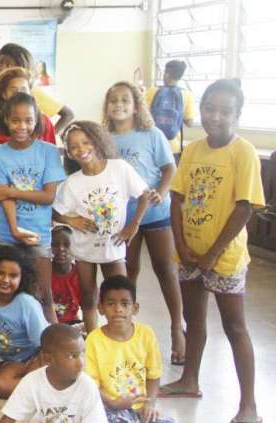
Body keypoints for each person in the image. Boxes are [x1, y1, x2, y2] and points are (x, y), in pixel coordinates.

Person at [160, 79, 264, 423]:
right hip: (190, 253)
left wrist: (212, 254)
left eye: (224, 111)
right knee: (194, 320)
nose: (214, 117)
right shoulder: (193, 150)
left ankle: (248, 404)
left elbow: (245, 207)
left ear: (237, 115)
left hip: (225, 257)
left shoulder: (243, 151)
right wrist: (183, 246)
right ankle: (189, 379)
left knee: (235, 327)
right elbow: (176, 198)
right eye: (209, 108)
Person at [104, 81, 185, 364]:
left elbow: (169, 168)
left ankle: (177, 327)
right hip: (124, 218)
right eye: (113, 100)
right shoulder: (106, 139)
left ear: (137, 106)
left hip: (155, 214)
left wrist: (161, 194)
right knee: (129, 271)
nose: (119, 105)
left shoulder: (151, 134)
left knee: (165, 269)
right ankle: (126, 327)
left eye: (125, 100)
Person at [53, 121, 151, 332]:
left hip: (113, 247)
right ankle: (92, 340)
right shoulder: (72, 183)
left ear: (97, 142)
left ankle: (121, 336)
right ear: (69, 153)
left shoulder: (119, 168)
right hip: (84, 250)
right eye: (74, 147)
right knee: (88, 296)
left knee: (120, 294)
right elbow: (55, 211)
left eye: (85, 142)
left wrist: (134, 225)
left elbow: (144, 195)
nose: (81, 149)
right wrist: (70, 220)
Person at [0, 92, 66, 323]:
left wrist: (13, 190)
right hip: (4, 233)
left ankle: (53, 350)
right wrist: (14, 230)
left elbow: (49, 196)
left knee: (43, 296)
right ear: (6, 121)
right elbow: (3, 199)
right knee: (4, 295)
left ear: (37, 121)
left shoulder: (49, 152)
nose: (22, 126)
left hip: (38, 235)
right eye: (16, 120)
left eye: (28, 120)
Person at [85, 276, 182, 423]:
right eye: (110, 303)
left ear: (135, 308)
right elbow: (91, 385)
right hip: (109, 407)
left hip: (138, 408)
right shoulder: (93, 340)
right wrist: (113, 403)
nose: (118, 310)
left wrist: (149, 404)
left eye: (124, 304)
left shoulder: (146, 334)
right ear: (100, 308)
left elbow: (153, 376)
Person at [0, 245, 48, 399]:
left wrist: (34, 368)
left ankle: (44, 390)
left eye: (13, 275)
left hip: (38, 355)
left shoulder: (27, 304)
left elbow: (44, 345)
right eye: (0, 273)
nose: (5, 280)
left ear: (22, 278)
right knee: (0, 386)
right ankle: (41, 390)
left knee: (35, 375)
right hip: (14, 361)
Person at [0, 43, 75, 135]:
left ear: (21, 67)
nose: (2, 68)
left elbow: (68, 114)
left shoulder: (30, 90)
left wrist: (47, 136)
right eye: (0, 64)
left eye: (8, 64)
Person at [0, 67, 57, 145]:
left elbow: (51, 154)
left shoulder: (44, 121)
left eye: (23, 89)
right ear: (4, 94)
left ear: (30, 92)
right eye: (13, 90)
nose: (19, 94)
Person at [145, 59, 196, 161]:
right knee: (171, 176)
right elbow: (190, 123)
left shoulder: (153, 90)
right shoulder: (187, 94)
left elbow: (143, 115)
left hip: (152, 144)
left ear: (167, 74)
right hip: (173, 147)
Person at [51, 225, 82, 325]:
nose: (61, 249)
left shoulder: (81, 274)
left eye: (67, 245)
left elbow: (90, 307)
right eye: (55, 245)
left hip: (73, 323)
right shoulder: (44, 273)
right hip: (49, 323)